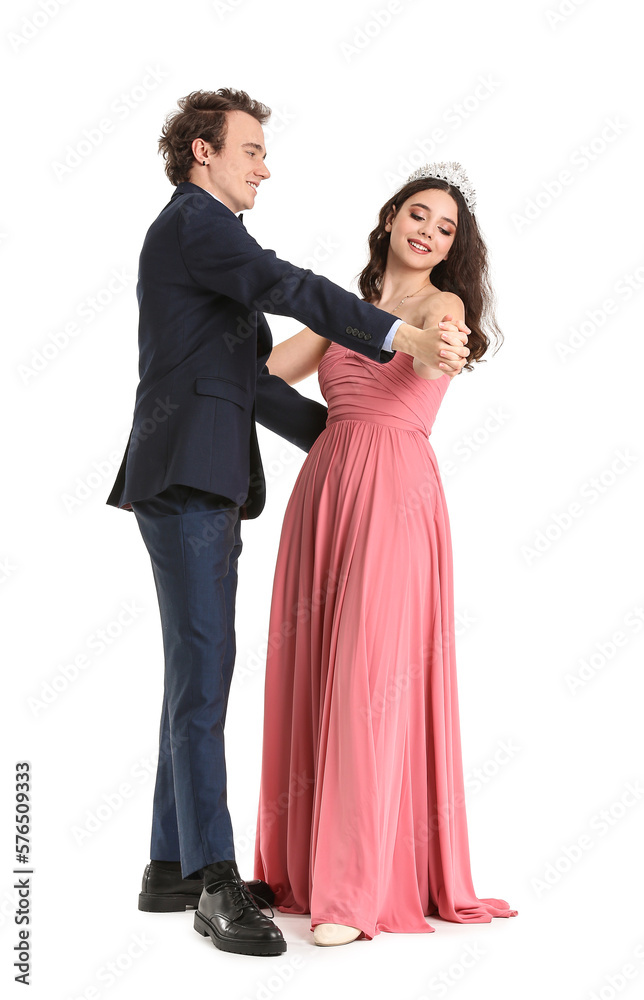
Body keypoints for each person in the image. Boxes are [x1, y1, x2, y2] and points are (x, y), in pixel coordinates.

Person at [106, 90, 470, 958]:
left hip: (210, 475)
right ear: (204, 152)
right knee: (205, 674)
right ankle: (215, 881)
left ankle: (171, 864)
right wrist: (393, 333)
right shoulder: (199, 224)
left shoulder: (199, 237)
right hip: (189, 474)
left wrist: (344, 439)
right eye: (252, 151)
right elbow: (284, 286)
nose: (265, 167)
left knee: (198, 667)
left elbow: (255, 382)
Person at [254, 163, 518, 946]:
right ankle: (303, 868)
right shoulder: (349, 308)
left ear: (450, 249)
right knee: (312, 665)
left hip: (393, 495)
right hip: (326, 490)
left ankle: (353, 890)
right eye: (419, 214)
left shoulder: (445, 306)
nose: (428, 230)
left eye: (445, 227)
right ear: (391, 217)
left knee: (368, 676)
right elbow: (266, 372)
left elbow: (442, 355)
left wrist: (448, 349)